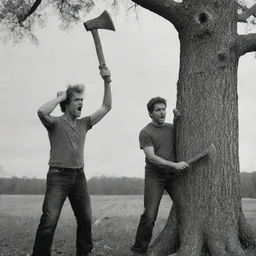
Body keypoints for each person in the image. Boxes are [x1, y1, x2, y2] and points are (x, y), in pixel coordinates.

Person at [31, 66, 112, 256]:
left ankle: (84, 253)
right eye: (77, 99)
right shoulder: (55, 123)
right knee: (49, 220)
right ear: (67, 103)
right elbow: (41, 112)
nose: (81, 103)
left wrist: (107, 82)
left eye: (82, 99)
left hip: (79, 177)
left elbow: (106, 107)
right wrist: (60, 97)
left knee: (85, 219)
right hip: (58, 176)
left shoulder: (84, 123)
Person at [131, 97, 188, 255]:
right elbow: (151, 157)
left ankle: (186, 244)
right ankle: (138, 250)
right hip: (155, 176)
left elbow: (180, 132)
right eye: (158, 110)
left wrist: (177, 118)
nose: (162, 112)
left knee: (186, 208)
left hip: (173, 176)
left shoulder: (171, 128)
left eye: (164, 109)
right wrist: (174, 164)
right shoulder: (146, 132)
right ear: (150, 113)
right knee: (150, 215)